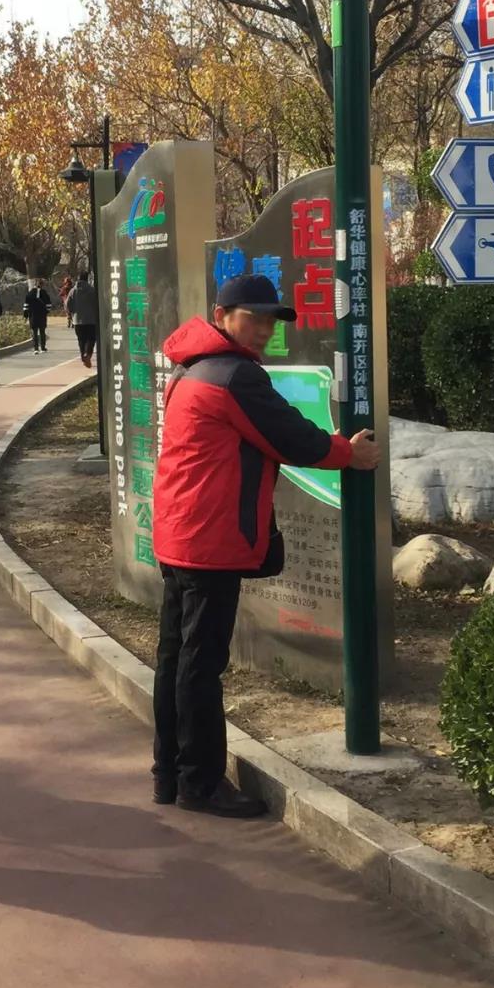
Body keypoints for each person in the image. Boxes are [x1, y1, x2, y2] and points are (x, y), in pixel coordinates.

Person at [151, 274, 381, 818]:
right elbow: (291, 437)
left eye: (270, 320)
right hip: (210, 539)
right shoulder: (234, 377)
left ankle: (168, 774)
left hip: (179, 531)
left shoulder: (190, 368)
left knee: (175, 657)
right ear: (221, 315)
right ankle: (200, 783)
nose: (263, 330)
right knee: (200, 665)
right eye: (252, 318)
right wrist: (348, 454)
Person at [67, 273, 99, 367]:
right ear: (87, 279)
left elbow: (68, 304)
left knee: (81, 339)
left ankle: (83, 355)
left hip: (77, 320)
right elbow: (97, 303)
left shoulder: (73, 291)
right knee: (91, 338)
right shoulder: (92, 290)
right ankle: (88, 354)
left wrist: (72, 313)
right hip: (91, 320)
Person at [23, 277, 52, 353]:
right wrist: (46, 312)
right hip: (42, 316)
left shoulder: (30, 293)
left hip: (33, 316)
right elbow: (49, 305)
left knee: (34, 332)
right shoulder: (44, 293)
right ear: (42, 285)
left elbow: (26, 306)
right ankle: (43, 347)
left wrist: (26, 315)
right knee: (42, 332)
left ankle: (36, 348)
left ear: (35, 284)